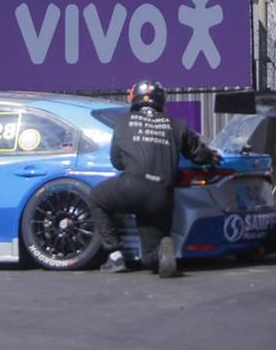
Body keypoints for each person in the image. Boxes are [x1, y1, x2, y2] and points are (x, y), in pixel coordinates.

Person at [92, 79, 219, 278]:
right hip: (162, 195)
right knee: (149, 257)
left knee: (96, 198)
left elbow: (117, 162)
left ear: (133, 98)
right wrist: (210, 156)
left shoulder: (122, 122)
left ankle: (115, 256)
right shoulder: (178, 124)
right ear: (162, 100)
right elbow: (200, 155)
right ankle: (161, 251)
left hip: (131, 188)